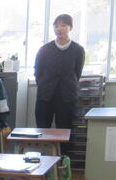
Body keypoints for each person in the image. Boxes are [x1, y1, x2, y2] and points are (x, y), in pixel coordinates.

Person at [34, 13, 85, 156]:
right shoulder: (45, 49)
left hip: (67, 97)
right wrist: (44, 85)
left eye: (63, 25)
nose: (59, 29)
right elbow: (38, 72)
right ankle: (44, 160)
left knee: (65, 130)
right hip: (45, 96)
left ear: (70, 27)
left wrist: (67, 86)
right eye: (56, 26)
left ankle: (63, 162)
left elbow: (77, 73)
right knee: (42, 130)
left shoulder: (78, 50)